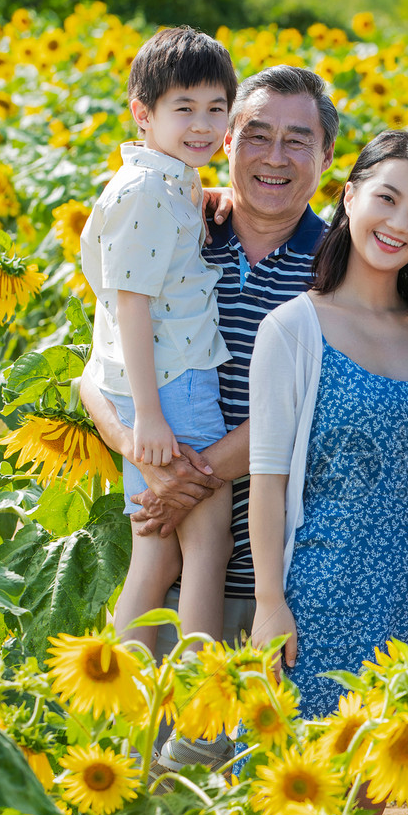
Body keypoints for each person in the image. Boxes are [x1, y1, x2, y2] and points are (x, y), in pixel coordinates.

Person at [80, 65, 338, 770]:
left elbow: (312, 408)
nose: (274, 158)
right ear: (227, 142)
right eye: (256, 135)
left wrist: (186, 481)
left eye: (297, 140)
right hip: (160, 554)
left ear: (326, 157)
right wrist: (136, 446)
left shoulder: (337, 267)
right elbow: (93, 371)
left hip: (270, 585)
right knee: (139, 808)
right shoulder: (179, 226)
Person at [245, 130, 408, 724]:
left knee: (376, 797)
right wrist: (270, 604)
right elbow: (266, 482)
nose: (400, 223)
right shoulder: (294, 328)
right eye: (387, 199)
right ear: (349, 196)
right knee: (294, 792)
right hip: (315, 597)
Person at [80, 26, 238, 652]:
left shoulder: (168, 179)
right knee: (208, 537)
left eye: (215, 109)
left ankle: (128, 706)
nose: (203, 125)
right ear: (142, 114)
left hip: (160, 382)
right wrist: (147, 416)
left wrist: (211, 195)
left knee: (157, 553)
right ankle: (198, 704)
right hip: (170, 385)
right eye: (184, 109)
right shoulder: (147, 189)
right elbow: (131, 306)